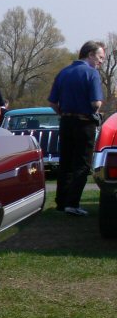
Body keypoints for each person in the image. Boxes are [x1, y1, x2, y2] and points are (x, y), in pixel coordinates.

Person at [48, 40, 106, 216]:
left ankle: (61, 202)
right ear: (90, 54)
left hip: (65, 122)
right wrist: (95, 110)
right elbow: (95, 103)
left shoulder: (64, 72)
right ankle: (73, 203)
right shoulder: (91, 73)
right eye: (100, 57)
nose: (101, 61)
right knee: (82, 164)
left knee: (65, 162)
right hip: (84, 122)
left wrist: (63, 113)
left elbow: (52, 101)